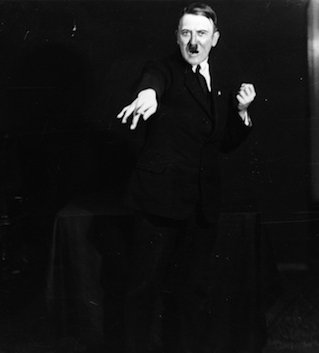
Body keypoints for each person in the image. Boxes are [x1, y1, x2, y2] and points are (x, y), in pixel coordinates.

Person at [116, 2, 256, 353]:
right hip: (158, 200)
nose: (194, 43)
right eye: (186, 33)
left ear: (215, 39)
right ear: (177, 37)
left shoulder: (221, 79)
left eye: (202, 34)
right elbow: (153, 79)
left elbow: (221, 144)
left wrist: (240, 113)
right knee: (142, 288)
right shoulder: (163, 68)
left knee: (194, 290)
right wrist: (147, 94)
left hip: (201, 205)